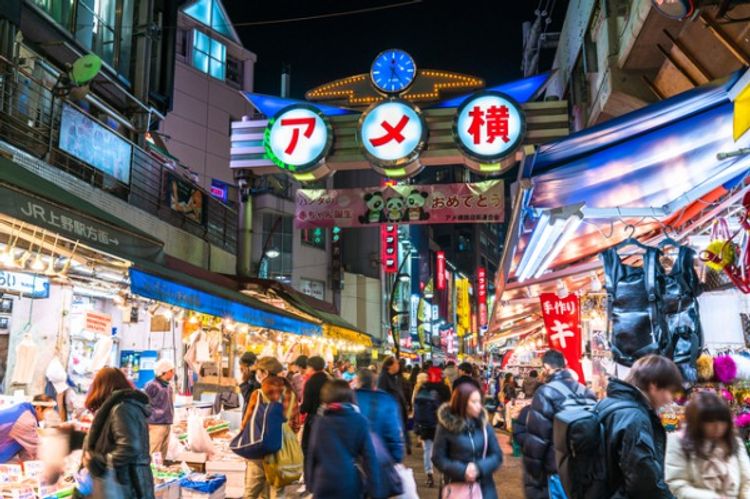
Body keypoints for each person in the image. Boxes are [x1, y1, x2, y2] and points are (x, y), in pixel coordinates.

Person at [598, 354, 682, 498]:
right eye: (670, 392)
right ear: (653, 385)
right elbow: (645, 482)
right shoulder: (635, 417)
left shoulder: (608, 403)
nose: (672, 399)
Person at [522, 349, 595, 499]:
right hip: (587, 470)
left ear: (546, 368)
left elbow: (537, 439)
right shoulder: (586, 391)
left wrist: (533, 473)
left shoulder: (545, 393)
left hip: (559, 471)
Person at [84, 367, 154, 498]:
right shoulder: (123, 407)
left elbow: (129, 447)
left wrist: (101, 461)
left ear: (102, 387)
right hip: (129, 480)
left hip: (128, 483)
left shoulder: (121, 409)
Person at [665, 391, 750, 498]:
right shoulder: (678, 441)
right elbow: (677, 483)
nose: (717, 426)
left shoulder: (734, 441)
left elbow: (746, 479)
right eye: (710, 421)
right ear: (697, 422)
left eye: (722, 421)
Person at [305, 380, 379, 499]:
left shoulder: (320, 422)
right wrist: (374, 489)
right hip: (349, 481)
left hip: (323, 481)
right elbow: (369, 456)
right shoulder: (359, 421)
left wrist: (310, 483)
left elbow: (312, 453)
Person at [433, 382, 503, 498]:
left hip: (484, 489)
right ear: (462, 403)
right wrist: (463, 471)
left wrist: (479, 468)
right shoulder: (446, 427)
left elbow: (497, 456)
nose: (479, 406)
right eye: (474, 402)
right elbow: (438, 458)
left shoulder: (484, 425)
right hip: (456, 489)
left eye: (479, 401)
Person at [243, 376, 286, 499]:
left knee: (251, 492)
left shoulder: (257, 395)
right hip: (279, 452)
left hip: (257, 451)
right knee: (277, 493)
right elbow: (295, 424)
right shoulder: (287, 395)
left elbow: (245, 423)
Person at [354, 368, 404, 463]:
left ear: (357, 382)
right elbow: (394, 432)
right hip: (380, 458)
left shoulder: (349, 399)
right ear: (374, 383)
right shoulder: (387, 400)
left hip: (354, 460)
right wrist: (397, 456)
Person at [413, 366, 451, 487]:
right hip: (441, 424)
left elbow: (416, 406)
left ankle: (429, 476)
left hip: (425, 425)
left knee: (427, 450)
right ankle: (443, 475)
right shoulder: (444, 389)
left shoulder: (423, 387)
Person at [378, 356, 410, 454]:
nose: (398, 365)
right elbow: (381, 396)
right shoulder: (383, 378)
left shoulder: (395, 377)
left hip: (397, 410)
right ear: (389, 366)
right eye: (396, 363)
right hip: (391, 412)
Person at [144, 358, 174, 456]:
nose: (173, 373)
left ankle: (160, 471)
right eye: (171, 371)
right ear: (164, 372)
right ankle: (151, 471)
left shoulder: (168, 386)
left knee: (162, 454)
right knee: (154, 453)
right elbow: (144, 404)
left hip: (166, 423)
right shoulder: (152, 385)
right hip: (155, 424)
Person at [301, 356, 328, 458]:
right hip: (327, 418)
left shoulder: (311, 382)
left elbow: (306, 407)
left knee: (308, 448)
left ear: (311, 368)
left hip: (313, 419)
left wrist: (301, 409)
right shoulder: (329, 379)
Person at [239, 352, 260, 416]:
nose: (241, 370)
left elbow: (248, 398)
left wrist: (243, 382)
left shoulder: (255, 380)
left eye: (242, 368)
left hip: (253, 418)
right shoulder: (252, 379)